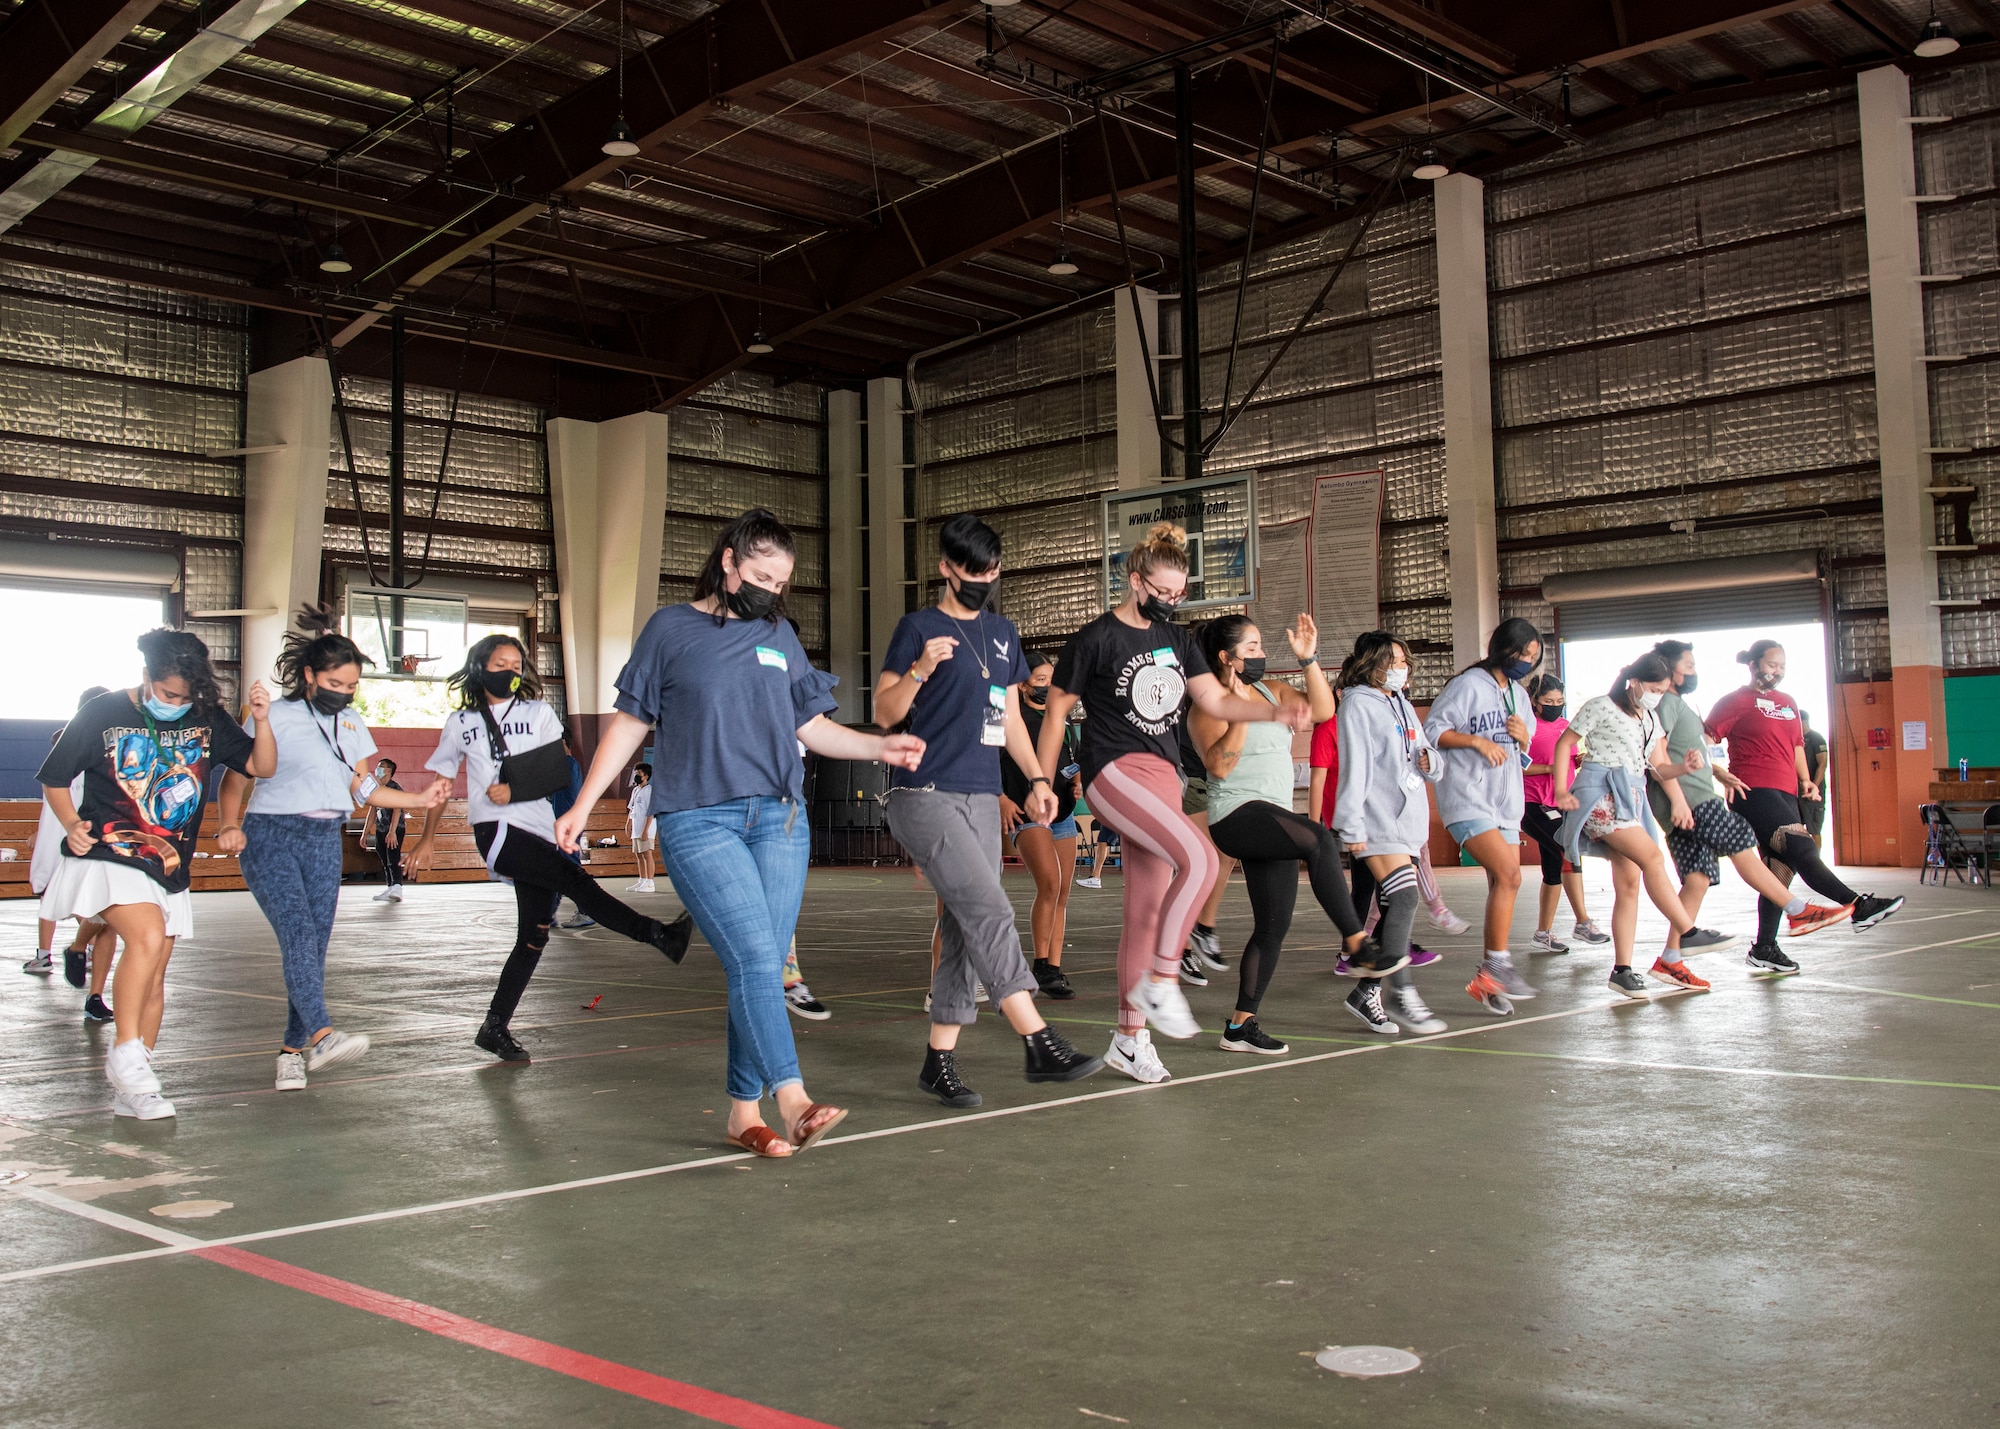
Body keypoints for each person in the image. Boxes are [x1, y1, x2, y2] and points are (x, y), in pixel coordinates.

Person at [556, 508, 923, 1157]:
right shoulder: (671, 629)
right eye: (761, 575)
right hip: (699, 821)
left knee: (754, 962)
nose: (770, 590)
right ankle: (794, 1099)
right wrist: (584, 804)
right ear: (728, 560)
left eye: (781, 582)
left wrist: (881, 745)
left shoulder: (777, 635)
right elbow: (629, 723)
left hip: (780, 821)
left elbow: (810, 727)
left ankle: (739, 1112)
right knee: (759, 960)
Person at [1039, 523, 1311, 1083]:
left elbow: (1213, 698)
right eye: (1162, 593)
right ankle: (1164, 978)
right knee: (1204, 859)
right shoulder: (1095, 639)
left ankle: (1129, 1039)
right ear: (1136, 581)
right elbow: (1055, 711)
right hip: (1113, 771)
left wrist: (1274, 712)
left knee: (1143, 913)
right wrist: (1042, 781)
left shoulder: (1179, 641)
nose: (1170, 601)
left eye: (1180, 593)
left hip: (1164, 778)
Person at [875, 514, 1102, 1108]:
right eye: (972, 570)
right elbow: (883, 712)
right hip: (922, 793)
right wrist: (921, 668)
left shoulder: (1003, 634)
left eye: (992, 571)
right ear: (947, 568)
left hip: (980, 796)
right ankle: (1038, 1039)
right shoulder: (917, 626)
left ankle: (938, 1062)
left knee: (961, 927)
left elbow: (1004, 718)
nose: (983, 579)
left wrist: (1036, 778)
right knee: (990, 907)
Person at [411, 635, 694, 1063]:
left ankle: (494, 1027)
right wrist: (428, 838)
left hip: (539, 828)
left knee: (534, 935)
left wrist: (525, 791)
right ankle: (657, 935)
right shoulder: (461, 722)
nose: (509, 669)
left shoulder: (539, 713)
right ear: (480, 667)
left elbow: (555, 771)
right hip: (499, 831)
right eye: (499, 662)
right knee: (574, 880)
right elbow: (441, 785)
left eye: (515, 663)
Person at [38, 630, 275, 1118]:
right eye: (168, 694)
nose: (176, 703)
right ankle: (125, 1052)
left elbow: (260, 765)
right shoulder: (103, 712)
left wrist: (263, 720)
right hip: (108, 851)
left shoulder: (205, 713)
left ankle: (136, 1087)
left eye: (185, 696)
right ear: (146, 676)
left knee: (155, 975)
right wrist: (71, 825)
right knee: (144, 938)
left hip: (168, 862)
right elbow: (55, 777)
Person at [219, 606, 450, 1091]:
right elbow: (235, 778)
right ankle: (323, 1035)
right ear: (309, 675)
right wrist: (227, 824)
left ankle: (290, 1052)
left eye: (351, 686)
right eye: (336, 683)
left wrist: (417, 798)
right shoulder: (272, 715)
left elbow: (362, 787)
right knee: (299, 934)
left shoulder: (352, 723)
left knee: (312, 949)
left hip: (323, 841)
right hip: (271, 836)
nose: (343, 693)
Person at [1190, 613, 1385, 1053]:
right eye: (1252, 648)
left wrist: (1309, 660)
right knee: (1317, 838)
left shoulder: (1270, 691)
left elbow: (1323, 710)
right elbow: (1219, 764)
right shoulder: (1207, 704)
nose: (1261, 655)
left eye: (1261, 646)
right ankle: (1356, 941)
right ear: (1228, 658)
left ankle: (1240, 1025)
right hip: (1235, 814)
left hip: (1271, 818)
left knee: (1272, 927)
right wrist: (1240, 714)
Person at [1648, 640, 1843, 980]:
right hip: (1690, 801)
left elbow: (1690, 751)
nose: (1694, 672)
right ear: (1669, 670)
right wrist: (1677, 799)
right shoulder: (1666, 703)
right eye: (1689, 666)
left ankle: (1670, 959)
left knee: (1697, 878)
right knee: (1739, 834)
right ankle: (1797, 910)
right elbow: (1655, 751)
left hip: (1693, 796)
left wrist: (1718, 771)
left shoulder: (1680, 703)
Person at [1705, 640, 1901, 969]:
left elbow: (1796, 745)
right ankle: (1858, 906)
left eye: (1782, 665)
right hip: (1753, 790)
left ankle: (1765, 947)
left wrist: (1807, 779)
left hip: (1786, 792)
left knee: (1779, 874)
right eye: (1771, 664)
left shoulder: (1788, 702)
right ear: (1753, 665)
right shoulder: (1735, 701)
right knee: (1804, 849)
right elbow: (1703, 741)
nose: (1777, 671)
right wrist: (1719, 773)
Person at [1551, 653, 1713, 998]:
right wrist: (1562, 789)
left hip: (1632, 799)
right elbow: (1565, 743)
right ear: (1635, 682)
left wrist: (1683, 768)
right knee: (1653, 858)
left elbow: (1657, 768)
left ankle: (1622, 970)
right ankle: (1688, 931)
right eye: (1654, 688)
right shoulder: (1602, 706)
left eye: (1663, 689)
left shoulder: (1651, 719)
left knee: (1629, 885)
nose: (1657, 694)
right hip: (1600, 796)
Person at [1426, 617, 1542, 1015]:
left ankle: (1488, 982)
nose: (1528, 661)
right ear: (1503, 649)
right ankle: (1496, 966)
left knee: (1502, 883)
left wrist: (1524, 738)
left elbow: (1523, 754)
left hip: (1506, 804)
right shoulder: (1467, 686)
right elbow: (1433, 732)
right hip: (1468, 798)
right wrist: (1475, 741)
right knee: (1511, 874)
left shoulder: (1519, 696)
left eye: (1534, 657)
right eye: (1524, 653)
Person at [1331, 631, 1438, 1034]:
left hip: (1406, 821)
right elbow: (1356, 767)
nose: (1401, 667)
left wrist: (1433, 763)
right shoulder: (1357, 703)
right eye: (1393, 660)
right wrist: (1351, 824)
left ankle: (1366, 992)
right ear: (1371, 662)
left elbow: (1425, 754)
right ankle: (1401, 992)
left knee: (1395, 905)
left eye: (1404, 660)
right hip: (1376, 821)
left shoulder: (1402, 703)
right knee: (1406, 897)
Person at [1001, 652, 1079, 1000]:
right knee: (1050, 882)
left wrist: (1077, 782)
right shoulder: (1012, 720)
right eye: (1041, 679)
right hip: (1027, 812)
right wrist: (1000, 797)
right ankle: (1041, 962)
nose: (1049, 685)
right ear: (1022, 684)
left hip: (1062, 813)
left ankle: (1053, 969)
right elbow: (990, 758)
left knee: (1062, 892)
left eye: (1052, 678)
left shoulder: (1059, 719)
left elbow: (1069, 762)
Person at [1518, 674, 1608, 952]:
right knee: (1567, 848)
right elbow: (1518, 766)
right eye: (1549, 701)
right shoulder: (1527, 728)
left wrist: (1574, 761)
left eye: (1560, 701)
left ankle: (1543, 933)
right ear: (1535, 702)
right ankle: (1583, 921)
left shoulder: (1566, 727)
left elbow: (1567, 760)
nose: (1555, 705)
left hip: (1562, 805)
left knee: (1553, 867)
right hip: (1535, 805)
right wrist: (1551, 768)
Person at [1176, 712, 1236, 983]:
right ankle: (1184, 945)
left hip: (1221, 782)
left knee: (1225, 854)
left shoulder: (1230, 696)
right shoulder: (1187, 695)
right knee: (1205, 857)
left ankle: (1194, 934)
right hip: (1190, 780)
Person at [549, 729, 596, 931]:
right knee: (558, 870)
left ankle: (586, 910)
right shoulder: (566, 765)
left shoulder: (567, 764)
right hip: (564, 826)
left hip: (568, 827)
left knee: (569, 870)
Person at [359, 757, 408, 903]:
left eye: (381, 766)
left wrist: (392, 832)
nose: (378, 769)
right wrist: (365, 832)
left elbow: (397, 810)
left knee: (393, 857)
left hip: (395, 829)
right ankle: (389, 886)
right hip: (381, 829)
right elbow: (373, 811)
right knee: (384, 859)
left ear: (389, 770)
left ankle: (398, 887)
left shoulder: (395, 788)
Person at [627, 762, 657, 892]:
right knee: (638, 854)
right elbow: (631, 808)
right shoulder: (635, 790)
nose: (636, 776)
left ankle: (650, 883)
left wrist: (645, 830)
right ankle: (642, 880)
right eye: (635, 773)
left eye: (638, 773)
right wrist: (627, 824)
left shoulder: (649, 791)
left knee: (647, 854)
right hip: (636, 826)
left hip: (646, 828)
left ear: (646, 776)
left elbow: (651, 811)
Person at [1799, 710, 1828, 845]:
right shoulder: (1796, 740)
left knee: (1814, 830)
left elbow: (1822, 765)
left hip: (1813, 793)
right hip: (1796, 792)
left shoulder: (1816, 739)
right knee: (1795, 830)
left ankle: (1816, 863)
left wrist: (1814, 786)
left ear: (1803, 722)